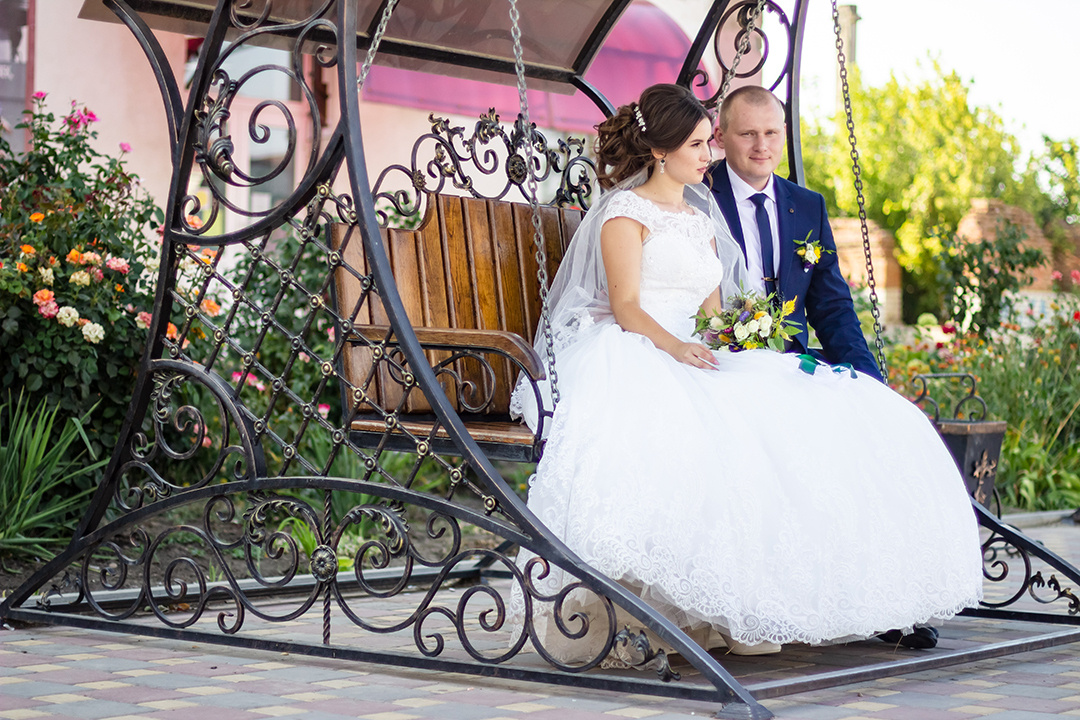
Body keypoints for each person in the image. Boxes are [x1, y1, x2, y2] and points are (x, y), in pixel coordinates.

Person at [510, 83, 983, 660]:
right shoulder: (623, 213)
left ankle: (835, 591)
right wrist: (678, 348)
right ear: (660, 150)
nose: (708, 155)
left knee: (797, 415)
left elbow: (714, 313)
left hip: (696, 351)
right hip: (638, 349)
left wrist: (733, 341)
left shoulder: (699, 215)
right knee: (717, 437)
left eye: (709, 142)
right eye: (699, 144)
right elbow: (627, 305)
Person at [709, 85, 882, 380]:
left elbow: (831, 306)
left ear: (785, 132)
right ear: (720, 137)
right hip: (722, 368)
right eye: (748, 134)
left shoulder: (808, 205)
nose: (761, 145)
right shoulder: (698, 197)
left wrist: (869, 378)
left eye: (771, 133)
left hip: (793, 367)